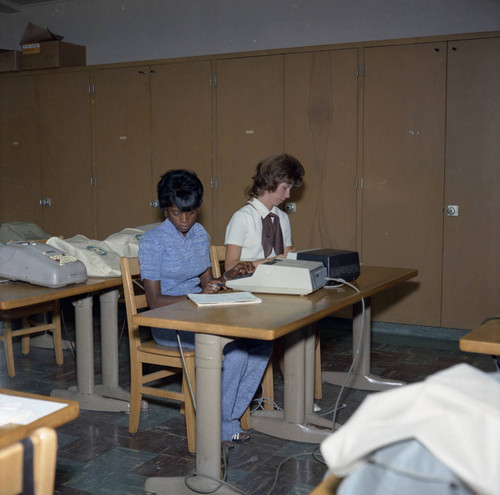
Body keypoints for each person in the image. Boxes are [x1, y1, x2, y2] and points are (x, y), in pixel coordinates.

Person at [138, 169, 273, 447]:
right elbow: (154, 301)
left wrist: (227, 278)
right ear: (165, 210)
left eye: (191, 212)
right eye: (177, 213)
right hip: (167, 324)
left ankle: (225, 418)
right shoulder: (153, 242)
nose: (185, 220)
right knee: (235, 355)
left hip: (198, 312)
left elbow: (208, 282)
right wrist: (194, 295)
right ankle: (221, 426)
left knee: (262, 345)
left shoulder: (199, 233)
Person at [224, 153, 305, 271]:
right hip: (247, 280)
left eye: (290, 189)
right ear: (268, 182)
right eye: (285, 188)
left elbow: (286, 258)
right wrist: (270, 261)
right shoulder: (242, 217)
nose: (288, 195)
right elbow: (230, 267)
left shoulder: (282, 218)